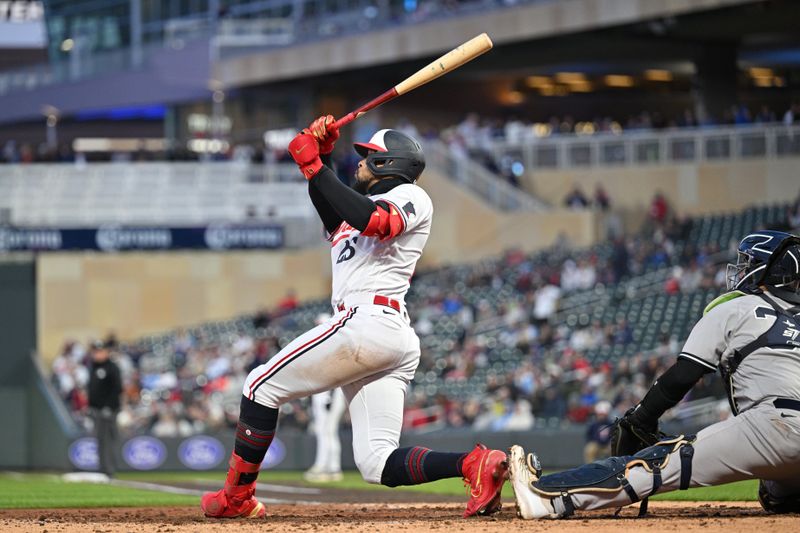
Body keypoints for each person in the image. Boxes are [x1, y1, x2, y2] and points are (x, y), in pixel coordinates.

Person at [200, 116, 508, 519]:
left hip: (368, 322)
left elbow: (375, 220)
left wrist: (315, 166)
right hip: (379, 333)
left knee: (259, 386)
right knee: (376, 463)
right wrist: (321, 155)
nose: (359, 163)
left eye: (367, 157)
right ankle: (473, 465)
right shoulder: (354, 213)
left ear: (387, 165)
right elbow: (336, 206)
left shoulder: (411, 196)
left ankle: (236, 498)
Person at [508, 230, 800, 519]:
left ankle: (547, 497)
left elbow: (684, 375)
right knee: (775, 494)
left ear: (765, 271)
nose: (741, 269)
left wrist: (641, 418)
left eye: (748, 263)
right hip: (785, 440)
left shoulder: (737, 307)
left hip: (775, 426)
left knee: (656, 464)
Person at [87, 339, 122, 477]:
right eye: (95, 351)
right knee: (100, 439)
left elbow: (117, 389)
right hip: (96, 410)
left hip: (108, 411)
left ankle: (109, 469)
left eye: (100, 351)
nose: (97, 354)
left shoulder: (112, 368)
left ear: (106, 352)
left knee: (108, 440)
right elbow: (92, 390)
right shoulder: (93, 367)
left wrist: (109, 407)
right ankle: (102, 468)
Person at [304, 388, 346, 482]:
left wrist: (330, 396)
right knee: (329, 432)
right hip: (330, 393)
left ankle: (323, 467)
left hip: (328, 394)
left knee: (325, 432)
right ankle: (333, 468)